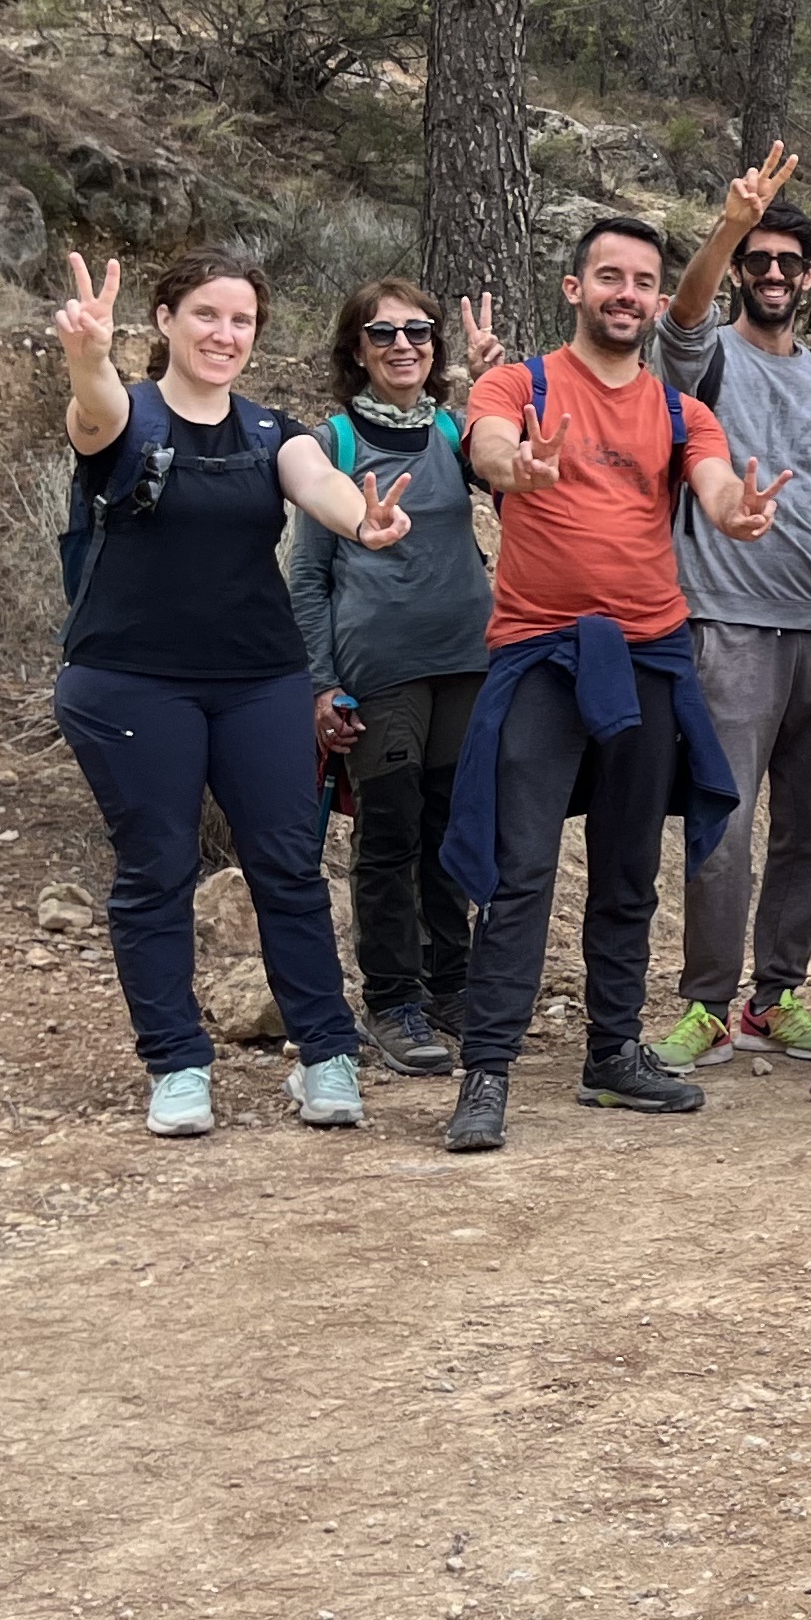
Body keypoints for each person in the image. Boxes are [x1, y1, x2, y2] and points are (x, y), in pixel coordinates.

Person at [437, 215, 787, 1155]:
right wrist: (518, 465)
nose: (627, 294)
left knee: (630, 867)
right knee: (521, 871)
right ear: (574, 288)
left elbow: (712, 486)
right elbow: (488, 447)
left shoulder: (680, 410)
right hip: (541, 655)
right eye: (610, 277)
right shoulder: (524, 381)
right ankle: (488, 1071)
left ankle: (611, 1052)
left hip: (650, 655)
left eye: (643, 281)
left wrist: (737, 511)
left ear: (658, 298)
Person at [49, 249, 410, 1139]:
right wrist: (89, 356)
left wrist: (358, 518)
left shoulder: (268, 430)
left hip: (259, 681)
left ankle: (326, 1057)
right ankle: (176, 1065)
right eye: (206, 314)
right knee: (158, 871)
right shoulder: (123, 415)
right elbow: (93, 416)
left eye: (241, 320)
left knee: (289, 869)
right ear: (165, 320)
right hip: (131, 683)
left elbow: (315, 480)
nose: (225, 334)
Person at [648, 146, 811, 1077]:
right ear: (742, 270)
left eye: (788, 263)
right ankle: (704, 1004)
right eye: (758, 262)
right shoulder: (704, 356)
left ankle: (774, 998)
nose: (772, 276)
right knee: (724, 823)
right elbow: (685, 310)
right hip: (726, 622)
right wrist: (731, 221)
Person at [288, 275, 497, 1078]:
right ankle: (392, 998)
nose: (404, 345)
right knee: (390, 832)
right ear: (355, 349)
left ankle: (453, 986)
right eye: (384, 333)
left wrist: (490, 386)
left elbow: (525, 479)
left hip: (465, 663)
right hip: (381, 671)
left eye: (419, 331)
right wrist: (319, 684)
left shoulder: (452, 430)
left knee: (449, 830)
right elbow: (309, 579)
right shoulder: (332, 443)